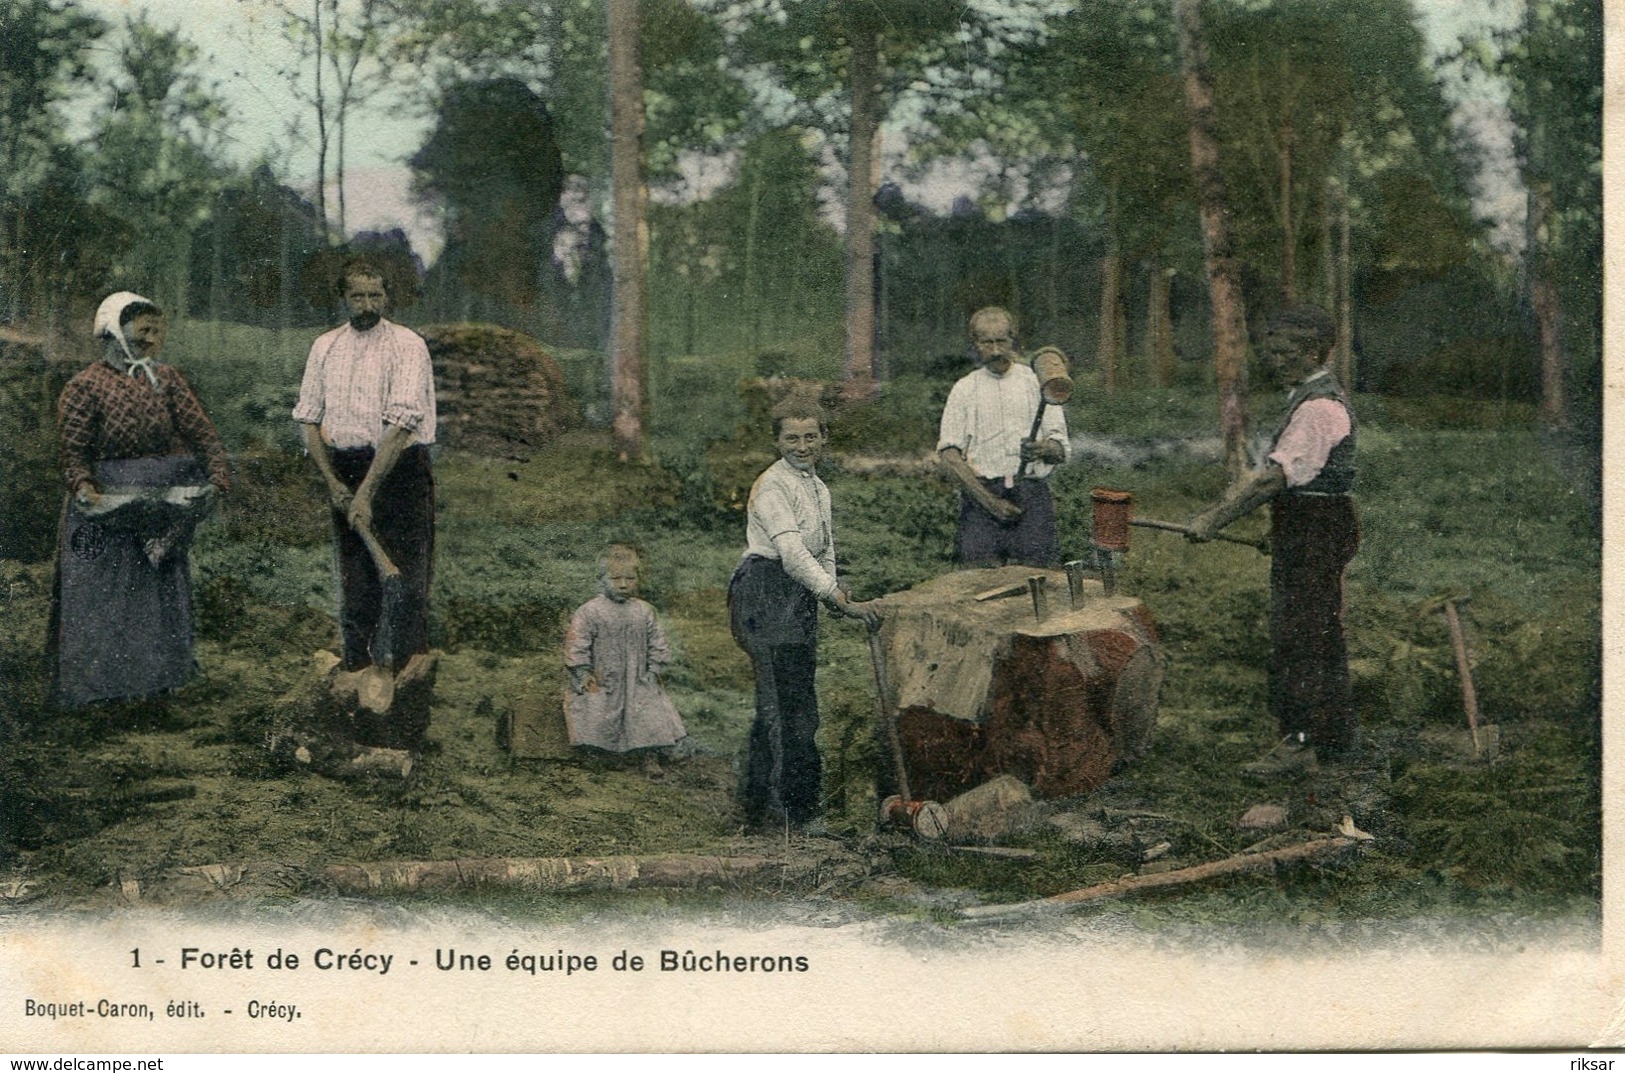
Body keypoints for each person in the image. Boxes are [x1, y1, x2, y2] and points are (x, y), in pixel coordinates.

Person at [1186, 304, 1358, 778]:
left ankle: (1301, 741)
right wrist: (1275, 532)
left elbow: (1271, 481)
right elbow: (1306, 479)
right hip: (1311, 524)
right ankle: (1332, 736)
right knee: (1319, 630)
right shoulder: (1307, 397)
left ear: (1316, 352)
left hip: (1316, 529)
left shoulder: (1318, 407)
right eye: (1273, 351)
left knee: (1301, 635)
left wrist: (1215, 519)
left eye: (1288, 352)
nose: (1277, 359)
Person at [48, 292, 232, 709]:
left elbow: (203, 436)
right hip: (105, 506)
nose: (152, 340)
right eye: (143, 330)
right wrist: (85, 488)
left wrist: (217, 479)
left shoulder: (167, 380)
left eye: (157, 331)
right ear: (114, 328)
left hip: (158, 508)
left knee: (156, 598)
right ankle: (98, 695)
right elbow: (73, 453)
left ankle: (154, 690)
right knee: (103, 597)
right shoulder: (85, 386)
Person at [729, 398, 879, 833]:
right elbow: (793, 555)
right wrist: (833, 593)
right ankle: (780, 815)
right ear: (776, 441)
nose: (802, 445)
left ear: (824, 438)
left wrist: (832, 597)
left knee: (798, 704)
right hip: (764, 593)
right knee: (783, 706)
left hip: (795, 595)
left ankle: (783, 809)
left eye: (810, 436)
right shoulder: (772, 486)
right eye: (791, 437)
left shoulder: (818, 487)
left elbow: (823, 549)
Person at [293, 260, 437, 681]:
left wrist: (366, 494)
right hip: (345, 470)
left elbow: (400, 427)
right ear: (344, 298)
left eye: (376, 295)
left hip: (398, 472)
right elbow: (309, 419)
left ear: (387, 297)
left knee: (405, 575)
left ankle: (406, 675)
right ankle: (358, 671)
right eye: (358, 296)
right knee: (357, 579)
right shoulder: (325, 346)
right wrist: (335, 483)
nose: (368, 304)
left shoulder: (408, 345)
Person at [938, 306, 1070, 567]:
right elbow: (949, 454)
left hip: (1031, 497)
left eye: (1002, 341)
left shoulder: (1038, 383)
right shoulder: (964, 389)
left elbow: (1061, 448)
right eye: (987, 343)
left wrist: (1042, 449)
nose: (996, 351)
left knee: (1037, 579)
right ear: (975, 344)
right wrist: (990, 503)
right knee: (976, 582)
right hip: (981, 499)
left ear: (1014, 341)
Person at [564, 544, 688, 778]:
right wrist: (582, 671)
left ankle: (648, 755)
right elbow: (577, 643)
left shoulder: (644, 611)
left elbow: (658, 642)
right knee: (598, 711)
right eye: (615, 578)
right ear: (602, 580)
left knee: (647, 711)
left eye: (630, 578)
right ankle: (599, 753)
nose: (623, 584)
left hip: (637, 676)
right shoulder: (590, 611)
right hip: (603, 676)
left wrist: (654, 668)